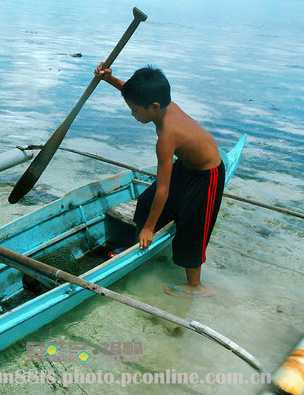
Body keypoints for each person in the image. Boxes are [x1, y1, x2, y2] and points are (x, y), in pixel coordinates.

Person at [94, 64, 224, 297]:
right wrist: (109, 79)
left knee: (192, 228)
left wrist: (149, 227)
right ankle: (139, 245)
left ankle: (196, 287)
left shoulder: (166, 137)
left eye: (134, 111)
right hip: (186, 165)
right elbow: (133, 92)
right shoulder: (162, 103)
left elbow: (163, 189)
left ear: (153, 107)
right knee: (145, 202)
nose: (132, 115)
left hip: (208, 175)